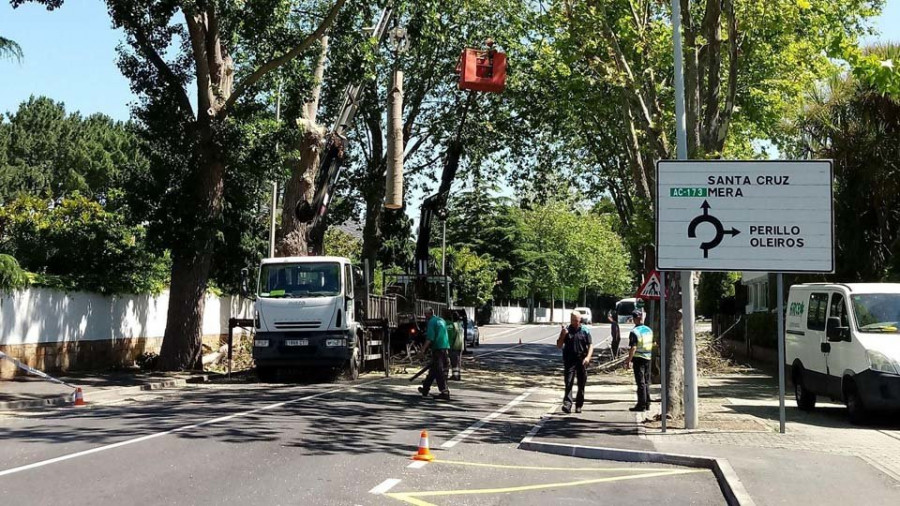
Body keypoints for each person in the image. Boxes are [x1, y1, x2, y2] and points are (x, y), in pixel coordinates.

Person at [556, 311, 594, 414]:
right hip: (569, 360)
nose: (575, 322)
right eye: (573, 320)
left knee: (581, 384)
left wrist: (588, 357)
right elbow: (559, 345)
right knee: (568, 382)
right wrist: (563, 335)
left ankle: (579, 405)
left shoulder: (585, 330)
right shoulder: (567, 330)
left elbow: (590, 345)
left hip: (582, 360)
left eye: (577, 321)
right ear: (571, 320)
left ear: (580, 320)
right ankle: (567, 404)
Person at [419, 308, 451, 400]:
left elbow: (430, 338)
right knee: (434, 369)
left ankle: (444, 391)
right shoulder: (441, 320)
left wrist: (422, 350)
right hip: (445, 346)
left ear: (428, 314)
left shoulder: (431, 322)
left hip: (438, 348)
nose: (425, 317)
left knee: (438, 370)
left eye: (425, 315)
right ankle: (425, 388)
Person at [624, 309, 653, 412]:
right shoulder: (649, 330)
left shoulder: (634, 332)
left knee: (640, 382)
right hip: (648, 357)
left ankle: (641, 404)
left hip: (638, 358)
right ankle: (647, 403)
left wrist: (628, 360)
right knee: (646, 382)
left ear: (634, 319)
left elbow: (633, 347)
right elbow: (653, 343)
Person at [447, 313, 464, 381]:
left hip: (454, 345)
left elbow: (452, 336)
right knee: (458, 361)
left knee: (454, 361)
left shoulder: (453, 325)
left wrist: (449, 345)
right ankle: (457, 375)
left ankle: (455, 376)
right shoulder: (460, 325)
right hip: (460, 345)